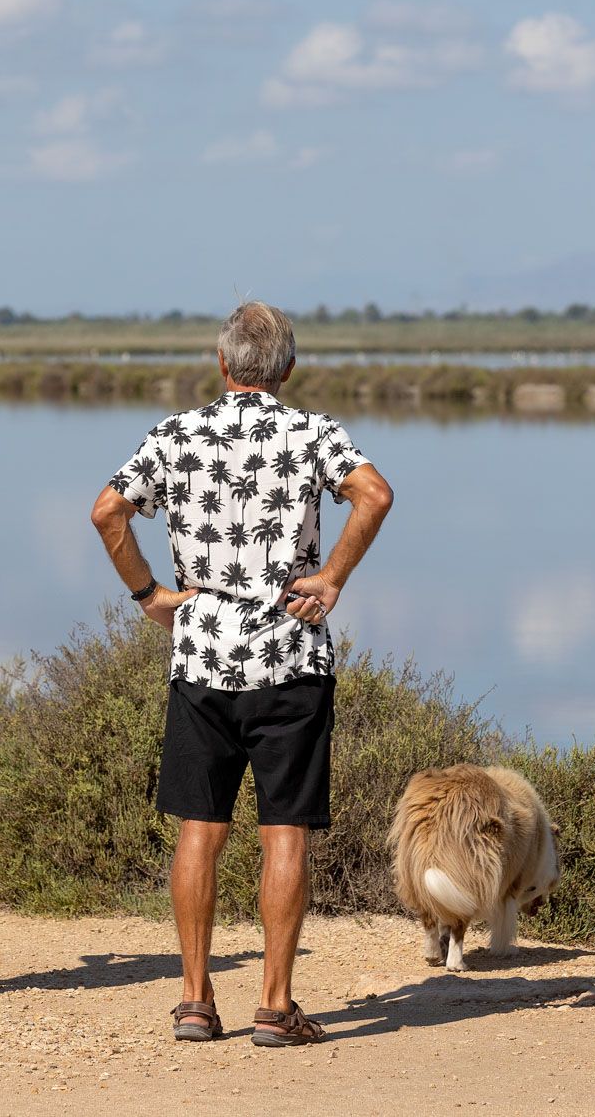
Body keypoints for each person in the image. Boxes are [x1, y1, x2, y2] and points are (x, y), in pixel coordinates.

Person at [91, 299, 394, 1046]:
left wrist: (150, 594)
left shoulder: (175, 433)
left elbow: (107, 513)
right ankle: (275, 1005)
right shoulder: (314, 431)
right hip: (291, 658)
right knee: (283, 833)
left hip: (200, 656)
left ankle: (195, 1000)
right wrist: (331, 578)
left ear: (222, 364)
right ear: (286, 368)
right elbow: (374, 493)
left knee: (201, 828)